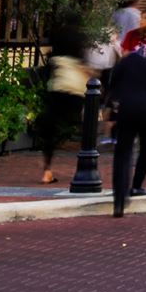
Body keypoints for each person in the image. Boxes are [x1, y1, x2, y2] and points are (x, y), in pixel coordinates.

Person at [107, 23, 146, 217]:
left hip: (127, 110)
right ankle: (136, 185)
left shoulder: (123, 64)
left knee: (123, 154)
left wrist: (112, 116)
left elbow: (113, 90)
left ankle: (119, 198)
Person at [34, 13, 94, 187]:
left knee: (51, 125)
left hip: (57, 81)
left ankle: (47, 169)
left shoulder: (58, 34)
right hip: (74, 84)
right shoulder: (81, 36)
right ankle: (85, 167)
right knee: (83, 125)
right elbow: (83, 61)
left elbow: (51, 55)